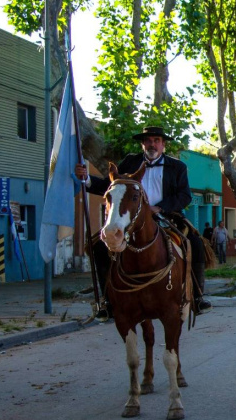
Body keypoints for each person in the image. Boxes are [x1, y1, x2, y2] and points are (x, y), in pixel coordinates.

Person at [75, 125, 212, 320]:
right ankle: (106, 301)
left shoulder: (177, 167)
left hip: (166, 216)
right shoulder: (130, 162)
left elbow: (184, 196)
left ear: (163, 145)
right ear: (142, 144)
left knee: (196, 243)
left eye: (156, 141)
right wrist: (87, 178)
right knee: (98, 247)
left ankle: (198, 297)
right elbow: (109, 185)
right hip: (132, 219)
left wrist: (160, 207)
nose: (152, 144)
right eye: (148, 141)